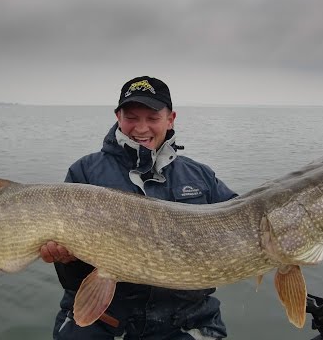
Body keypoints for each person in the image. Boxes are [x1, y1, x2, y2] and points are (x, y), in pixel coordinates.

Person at [40, 76, 238, 340]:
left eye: (153, 118)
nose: (141, 128)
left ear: (171, 118)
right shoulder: (84, 172)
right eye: (131, 117)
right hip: (104, 321)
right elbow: (73, 278)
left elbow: (243, 224)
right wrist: (66, 259)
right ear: (117, 117)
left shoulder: (201, 176)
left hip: (185, 323)